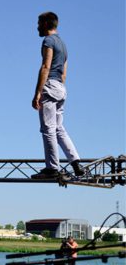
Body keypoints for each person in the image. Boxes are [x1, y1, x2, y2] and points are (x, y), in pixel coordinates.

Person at [30, 12, 84, 180]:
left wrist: (38, 92)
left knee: (48, 129)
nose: (37, 26)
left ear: (46, 23)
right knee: (59, 128)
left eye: (39, 23)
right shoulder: (63, 45)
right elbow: (64, 74)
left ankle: (52, 168)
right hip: (61, 88)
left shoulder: (49, 41)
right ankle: (76, 163)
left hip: (50, 85)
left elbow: (46, 66)